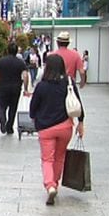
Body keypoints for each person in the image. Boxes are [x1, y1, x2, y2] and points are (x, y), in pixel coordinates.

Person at [29, 54, 85, 205]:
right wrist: (80, 123)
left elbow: (33, 108)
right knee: (60, 157)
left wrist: (34, 117)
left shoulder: (41, 85)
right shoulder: (69, 82)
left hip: (46, 128)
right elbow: (78, 103)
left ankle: (50, 185)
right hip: (65, 127)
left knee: (47, 159)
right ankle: (55, 183)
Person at [0, 42, 30, 135]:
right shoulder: (20, 62)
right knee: (13, 108)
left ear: (7, 50)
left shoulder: (1, 61)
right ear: (17, 51)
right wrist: (25, 88)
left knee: (1, 106)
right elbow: (25, 75)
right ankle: (9, 127)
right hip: (15, 88)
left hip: (3, 87)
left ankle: (2, 122)